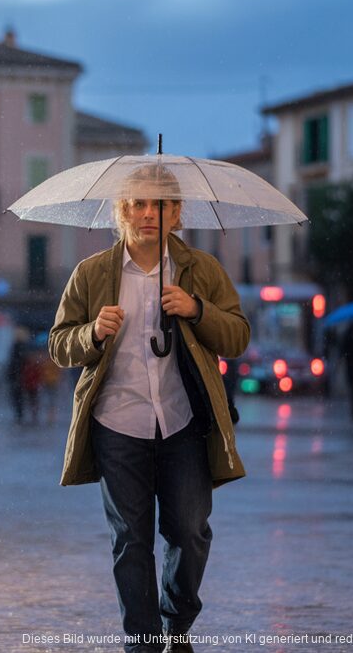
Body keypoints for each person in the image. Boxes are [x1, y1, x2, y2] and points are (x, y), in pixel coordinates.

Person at [48, 165, 249, 653]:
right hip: (117, 423)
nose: (148, 213)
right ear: (122, 210)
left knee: (189, 531)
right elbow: (58, 345)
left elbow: (238, 336)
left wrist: (197, 310)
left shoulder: (202, 270)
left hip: (184, 423)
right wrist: (93, 332)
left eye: (159, 204)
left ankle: (176, 626)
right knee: (130, 541)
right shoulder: (92, 273)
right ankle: (142, 643)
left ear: (176, 213)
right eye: (137, 203)